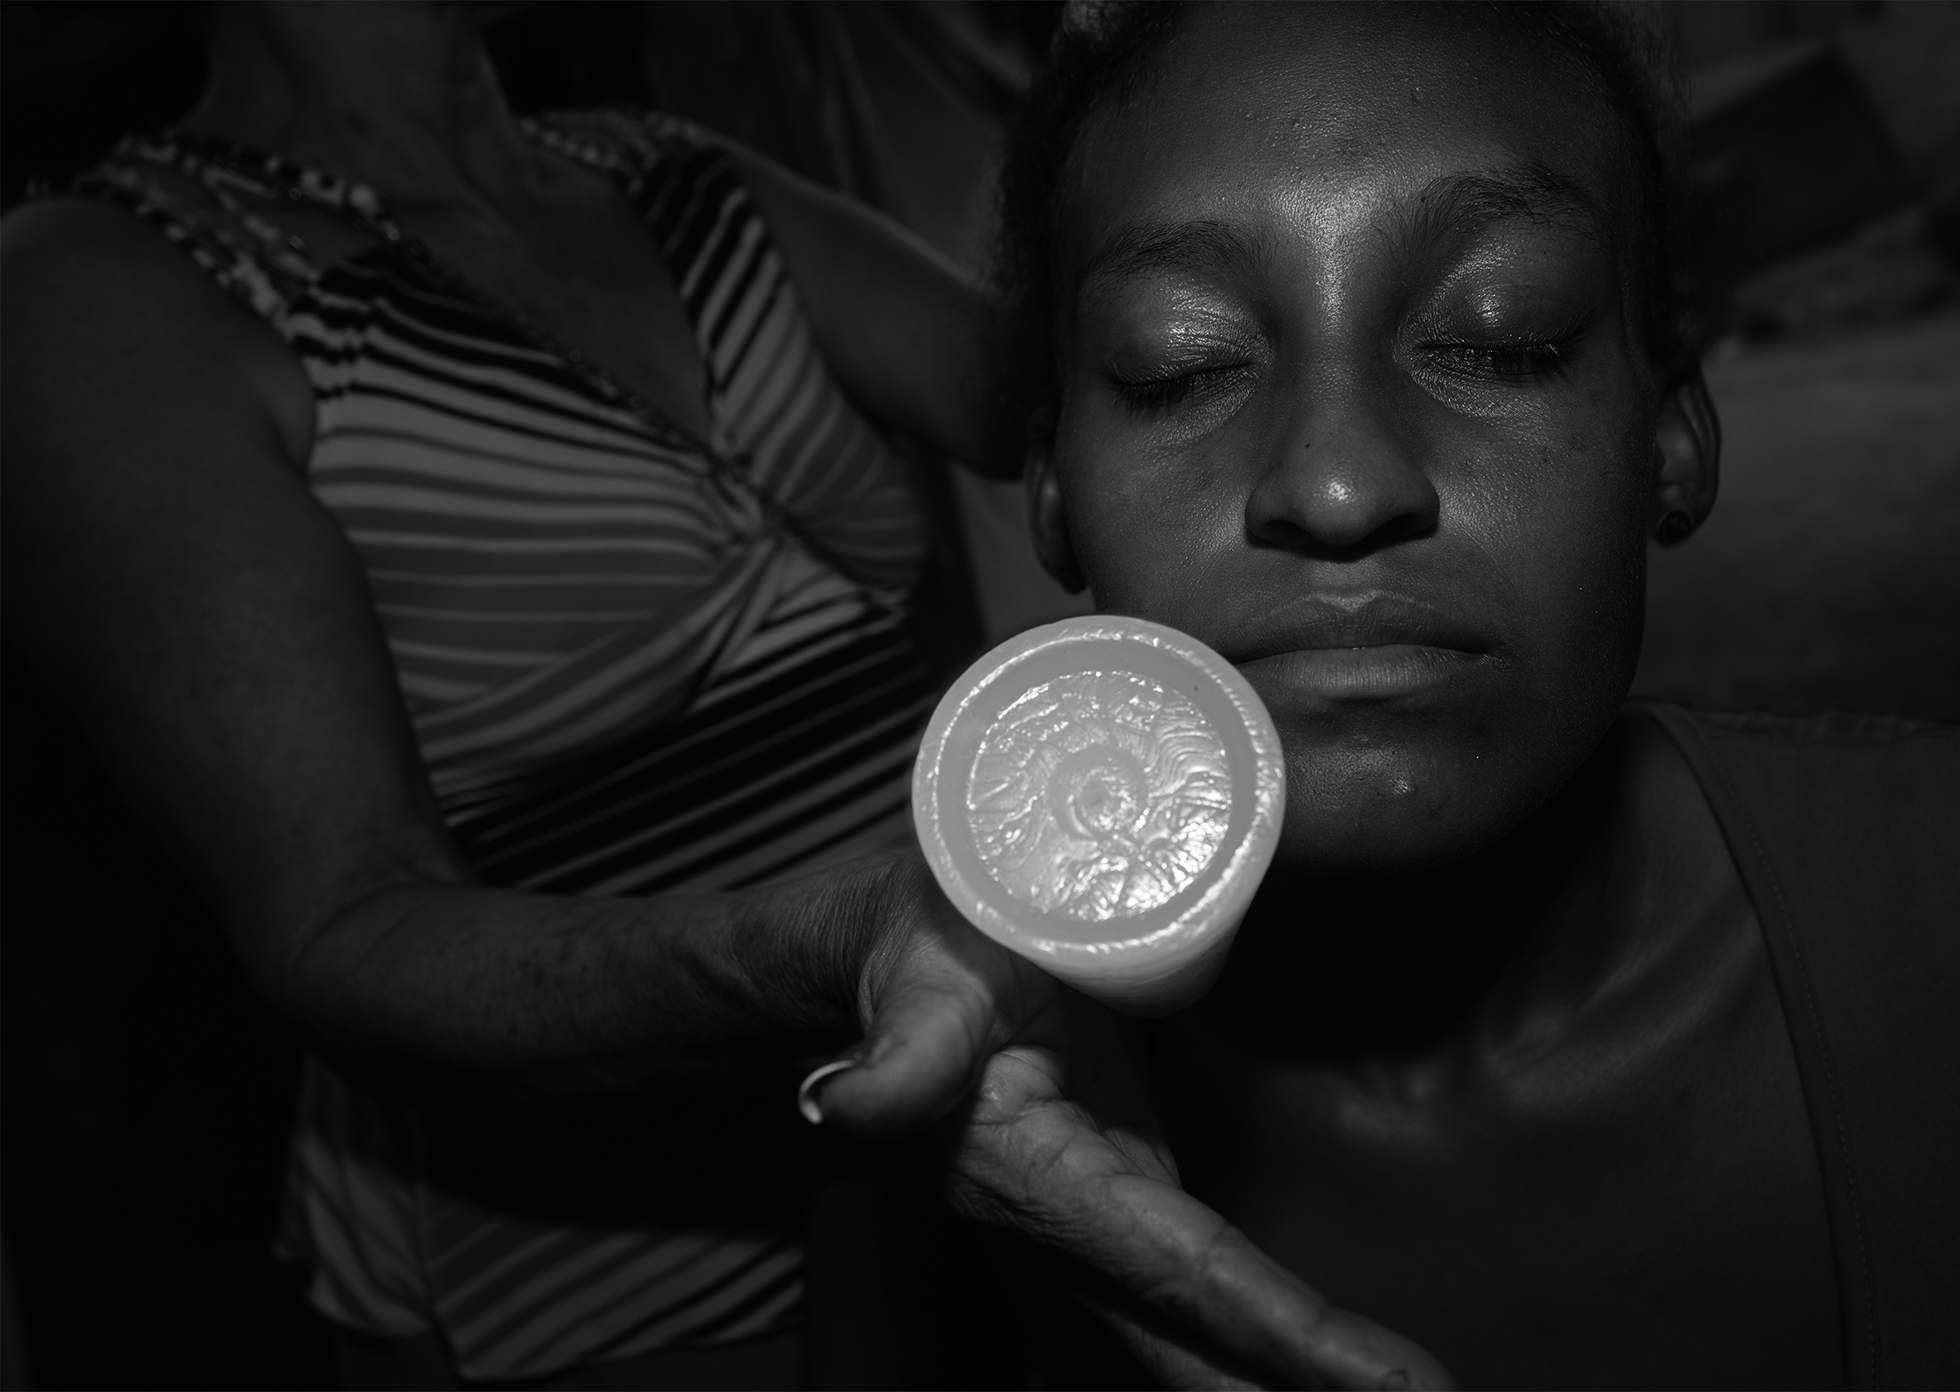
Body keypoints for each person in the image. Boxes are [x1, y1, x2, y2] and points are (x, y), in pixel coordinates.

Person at [4, 4, 1443, 1390]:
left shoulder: (663, 170)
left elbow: (1079, 384)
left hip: (994, 1094)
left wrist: (1157, 76)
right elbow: (344, 923)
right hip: (626, 1217)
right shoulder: (95, 285)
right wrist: (821, 950)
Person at [986, 2, 1960, 1387]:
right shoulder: (956, 1118)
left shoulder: (1931, 898)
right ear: (1053, 496)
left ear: (1671, 440)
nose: (1337, 483)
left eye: (1502, 337)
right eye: (1181, 363)